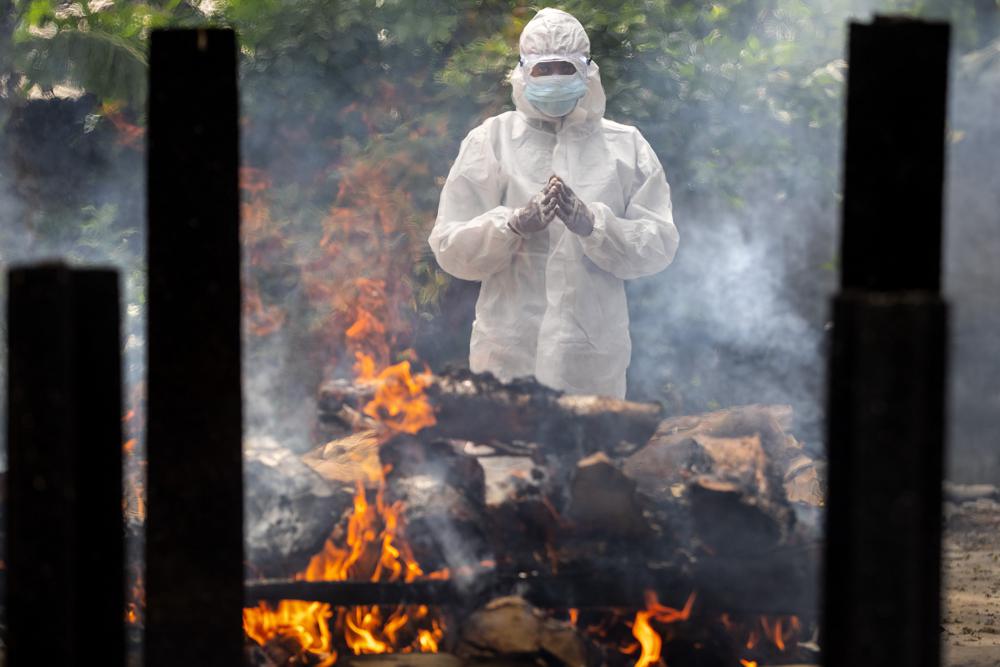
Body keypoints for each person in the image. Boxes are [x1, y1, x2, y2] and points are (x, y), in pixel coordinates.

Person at [428, 7, 678, 398]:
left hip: (591, 363)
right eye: (543, 69)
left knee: (592, 457)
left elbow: (659, 245)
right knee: (503, 457)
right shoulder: (490, 142)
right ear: (523, 71)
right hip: (507, 361)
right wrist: (511, 225)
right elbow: (449, 247)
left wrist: (594, 225)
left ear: (586, 71)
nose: (554, 78)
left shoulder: (626, 146)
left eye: (565, 67)